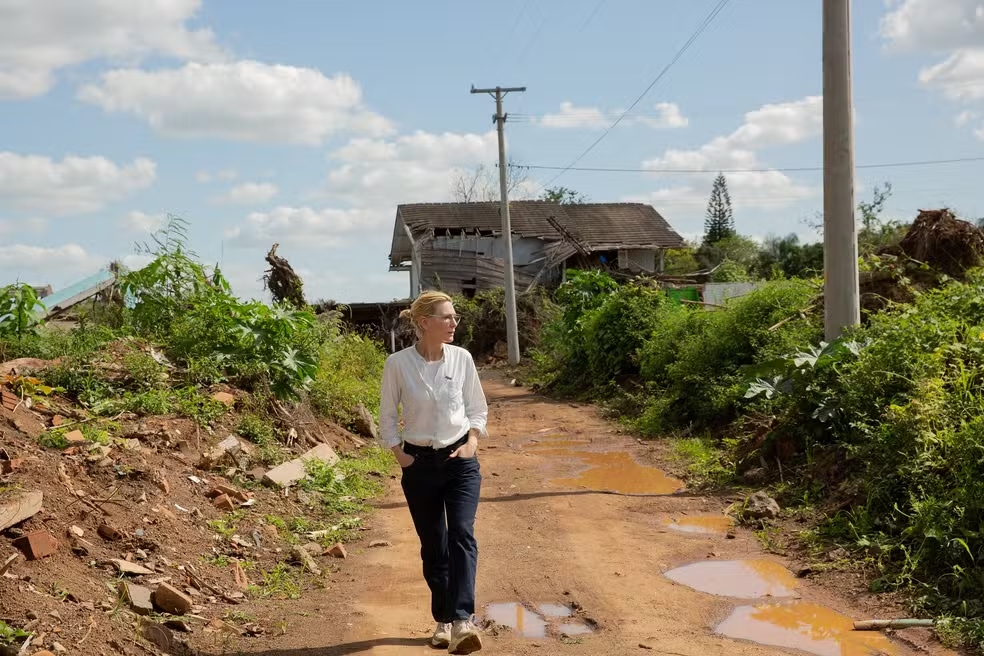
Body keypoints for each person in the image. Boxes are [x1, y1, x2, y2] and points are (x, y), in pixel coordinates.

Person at [378, 291, 488, 654]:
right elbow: (388, 415)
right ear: (424, 322)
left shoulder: (462, 359)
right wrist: (400, 455)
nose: (454, 323)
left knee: (461, 534)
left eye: (454, 317)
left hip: (460, 461)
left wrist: (472, 442)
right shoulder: (398, 363)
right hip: (419, 464)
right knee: (433, 546)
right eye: (447, 317)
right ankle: (442, 620)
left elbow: (477, 407)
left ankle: (462, 620)